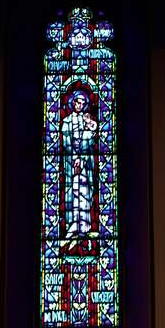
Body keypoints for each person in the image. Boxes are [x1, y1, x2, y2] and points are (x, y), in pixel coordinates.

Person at [61, 90, 97, 250]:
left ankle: (84, 227)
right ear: (73, 103)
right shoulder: (67, 121)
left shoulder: (86, 121)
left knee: (84, 192)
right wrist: (74, 157)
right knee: (73, 193)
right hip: (71, 163)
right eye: (77, 103)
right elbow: (66, 143)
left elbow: (90, 140)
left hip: (84, 164)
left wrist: (81, 159)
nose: (79, 106)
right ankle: (73, 226)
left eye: (82, 104)